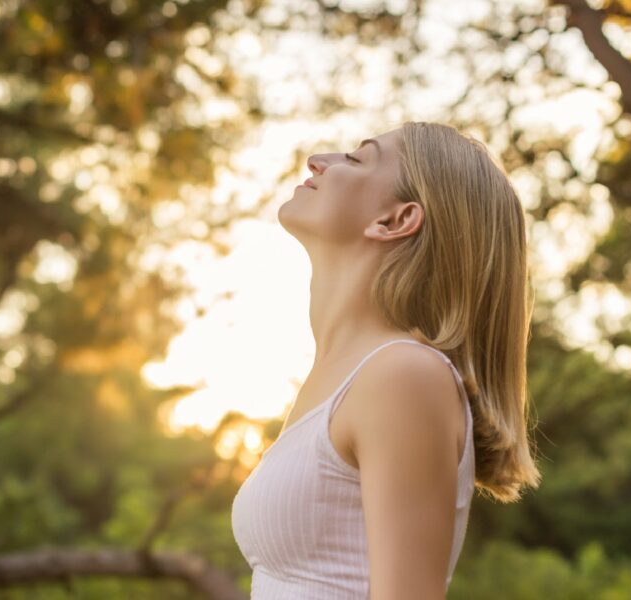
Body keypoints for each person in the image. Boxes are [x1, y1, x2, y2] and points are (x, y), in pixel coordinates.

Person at [231, 121, 542, 599]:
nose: (319, 158)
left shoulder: (403, 376)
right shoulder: (349, 376)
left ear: (395, 220)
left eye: (356, 159)